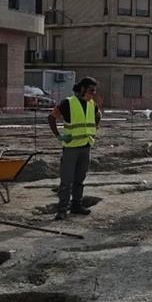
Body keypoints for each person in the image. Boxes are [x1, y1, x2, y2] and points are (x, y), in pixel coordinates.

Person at [48, 77, 102, 220]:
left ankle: (76, 205)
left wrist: (95, 127)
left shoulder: (92, 104)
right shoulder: (68, 103)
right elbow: (52, 117)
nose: (93, 94)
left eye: (94, 91)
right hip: (71, 148)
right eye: (91, 90)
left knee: (80, 179)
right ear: (82, 89)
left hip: (86, 146)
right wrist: (58, 136)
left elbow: (98, 115)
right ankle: (62, 209)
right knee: (66, 181)